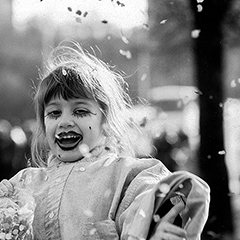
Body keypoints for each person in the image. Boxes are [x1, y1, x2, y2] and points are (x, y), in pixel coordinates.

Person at [0, 41, 210, 240]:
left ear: (105, 121)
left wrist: (158, 225)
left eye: (80, 111)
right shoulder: (24, 184)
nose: (64, 122)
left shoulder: (124, 176)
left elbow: (153, 202)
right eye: (54, 113)